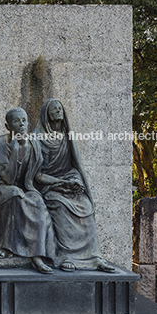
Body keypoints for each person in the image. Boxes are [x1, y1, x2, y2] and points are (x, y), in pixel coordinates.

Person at [33, 99, 114, 272]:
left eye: (60, 108)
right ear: (46, 114)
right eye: (53, 109)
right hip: (48, 187)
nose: (58, 111)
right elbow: (37, 175)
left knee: (85, 204)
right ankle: (66, 256)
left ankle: (94, 257)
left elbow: (73, 167)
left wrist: (75, 181)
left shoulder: (67, 137)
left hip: (67, 183)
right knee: (61, 206)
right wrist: (59, 183)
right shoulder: (36, 139)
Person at [0, 107, 55, 274]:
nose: (22, 124)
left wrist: (61, 182)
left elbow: (37, 176)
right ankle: (7, 247)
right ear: (8, 125)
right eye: (16, 121)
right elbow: (7, 179)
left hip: (25, 187)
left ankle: (37, 255)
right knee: (14, 194)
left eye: (24, 120)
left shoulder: (33, 145)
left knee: (37, 200)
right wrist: (15, 150)